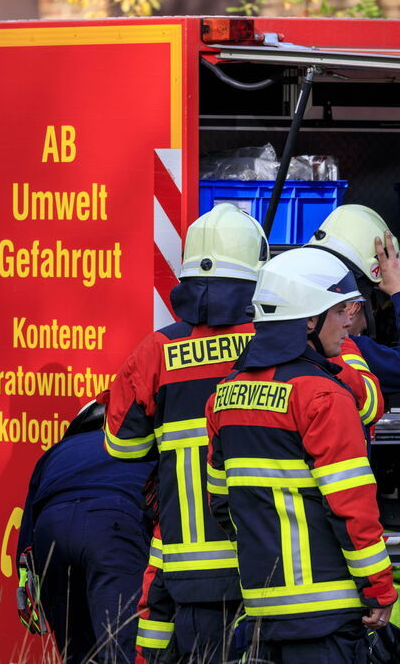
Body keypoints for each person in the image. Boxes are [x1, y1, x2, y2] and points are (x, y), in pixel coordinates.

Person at [206, 247, 397, 663]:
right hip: (325, 615)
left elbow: (222, 505)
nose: (350, 321)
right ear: (309, 321)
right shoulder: (322, 394)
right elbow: (352, 507)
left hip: (261, 611)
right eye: (338, 311)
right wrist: (379, 589)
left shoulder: (225, 394)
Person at [105, 204, 269, 662]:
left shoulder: (156, 351)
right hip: (271, 562)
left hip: (190, 571)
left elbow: (122, 445)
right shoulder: (272, 342)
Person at [17, 396, 153, 663]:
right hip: (111, 527)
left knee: (77, 653)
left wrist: (27, 584)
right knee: (120, 648)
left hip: (51, 529)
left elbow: (28, 533)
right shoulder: (143, 446)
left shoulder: (55, 452)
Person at [306, 204, 400, 399]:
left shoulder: (278, 339)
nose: (368, 322)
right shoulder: (347, 351)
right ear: (352, 307)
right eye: (373, 307)